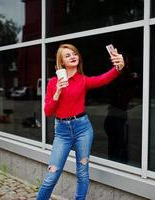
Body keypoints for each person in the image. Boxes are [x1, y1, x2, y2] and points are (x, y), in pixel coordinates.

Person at [36, 43, 124, 200]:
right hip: (62, 132)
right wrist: (57, 92)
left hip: (82, 128)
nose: (73, 56)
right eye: (68, 55)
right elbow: (48, 112)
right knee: (52, 175)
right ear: (61, 62)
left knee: (83, 173)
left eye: (74, 53)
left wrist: (118, 68)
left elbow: (102, 79)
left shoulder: (82, 80)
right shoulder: (52, 83)